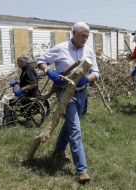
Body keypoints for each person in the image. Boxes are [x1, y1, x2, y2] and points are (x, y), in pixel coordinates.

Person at [36, 21, 99, 183]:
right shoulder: (61, 48)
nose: (85, 39)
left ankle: (58, 150)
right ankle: (82, 170)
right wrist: (50, 72)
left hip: (81, 93)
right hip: (65, 93)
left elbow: (96, 72)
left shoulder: (88, 50)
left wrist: (86, 79)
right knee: (75, 129)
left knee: (70, 123)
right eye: (83, 35)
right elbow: (40, 60)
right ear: (74, 33)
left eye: (87, 36)